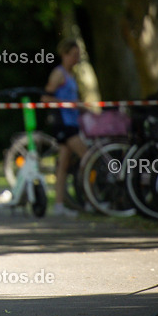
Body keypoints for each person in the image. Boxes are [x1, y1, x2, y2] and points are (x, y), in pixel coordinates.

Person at [43, 39, 87, 217]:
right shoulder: (58, 74)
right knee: (88, 157)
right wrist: (68, 104)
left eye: (78, 55)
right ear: (65, 54)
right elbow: (45, 99)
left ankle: (59, 204)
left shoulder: (70, 75)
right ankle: (92, 200)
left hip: (72, 122)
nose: (76, 59)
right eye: (73, 55)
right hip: (64, 124)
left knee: (63, 165)